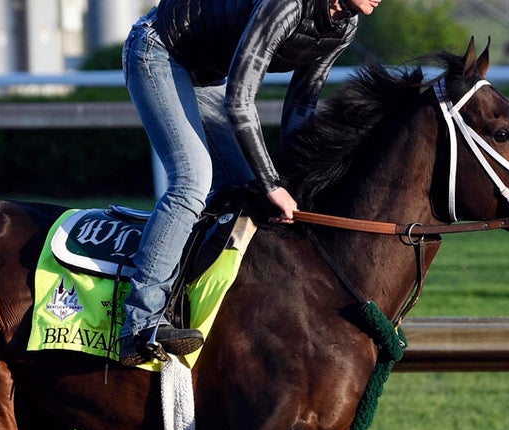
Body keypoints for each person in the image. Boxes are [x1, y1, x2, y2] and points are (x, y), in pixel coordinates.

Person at [117, 0, 382, 366]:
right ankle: (139, 323)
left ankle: (189, 305)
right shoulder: (287, 5)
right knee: (193, 178)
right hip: (159, 51)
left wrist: (294, 183)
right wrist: (273, 182)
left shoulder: (343, 26)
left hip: (204, 75)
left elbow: (302, 106)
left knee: (246, 195)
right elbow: (240, 100)